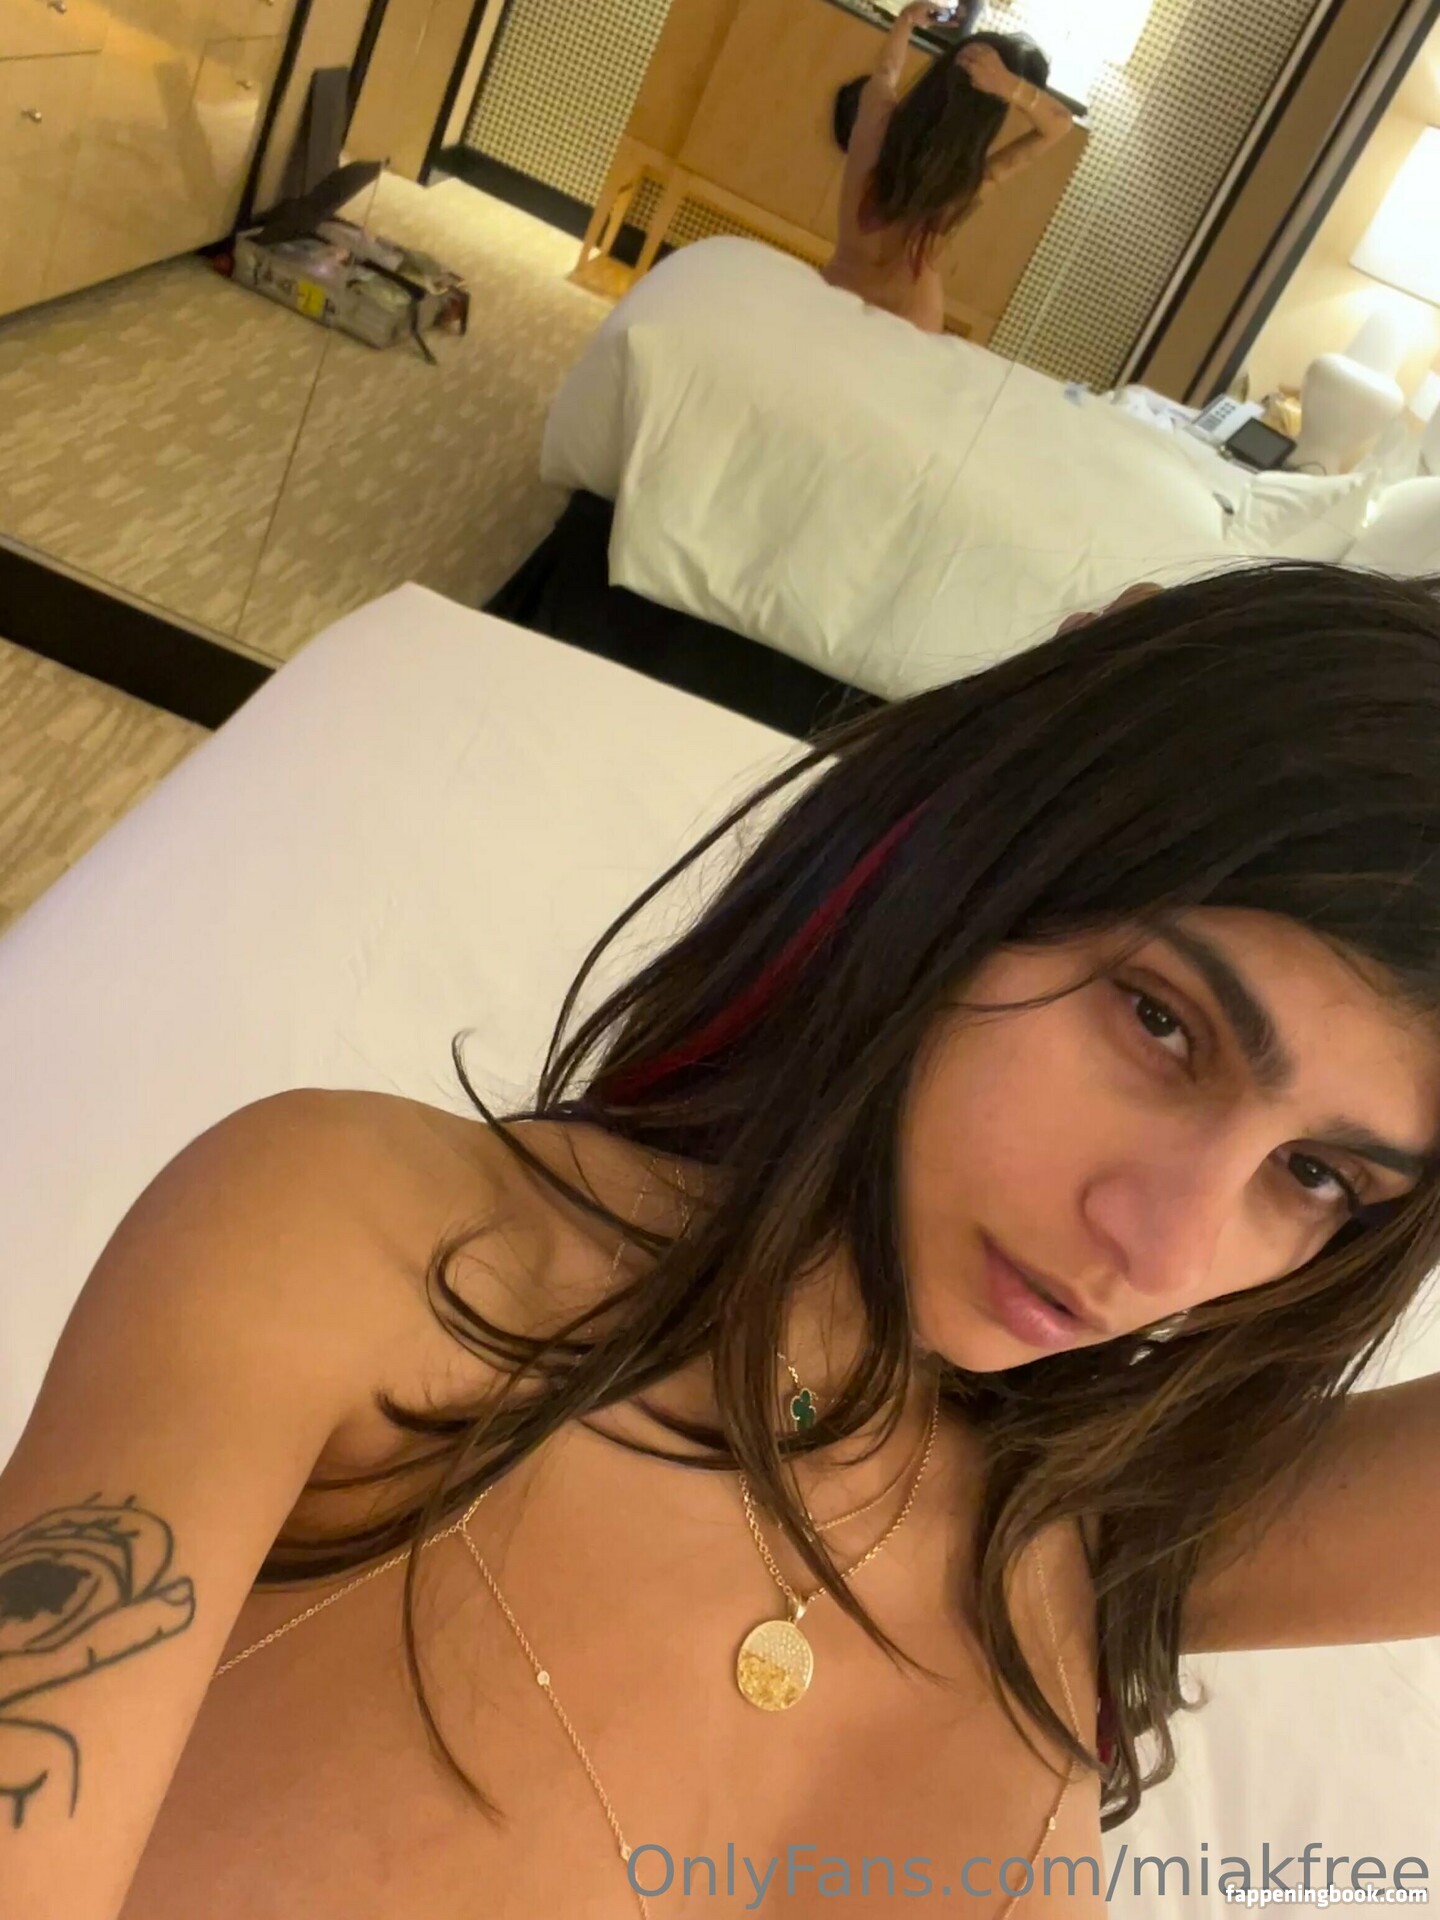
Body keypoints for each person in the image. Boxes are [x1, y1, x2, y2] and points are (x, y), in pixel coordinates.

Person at [6, 562, 1440, 1920]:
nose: (1164, 1255)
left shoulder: (1101, 1520)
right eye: (1162, 1023)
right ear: (996, 836)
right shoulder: (365, 1255)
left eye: (1315, 1175)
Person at [824, 5, 1076, 332]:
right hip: (909, 329)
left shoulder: (875, 122)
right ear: (984, 125)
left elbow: (887, 70)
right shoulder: (965, 188)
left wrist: (907, 21)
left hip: (834, 301)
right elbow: (1060, 125)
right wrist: (1007, 85)